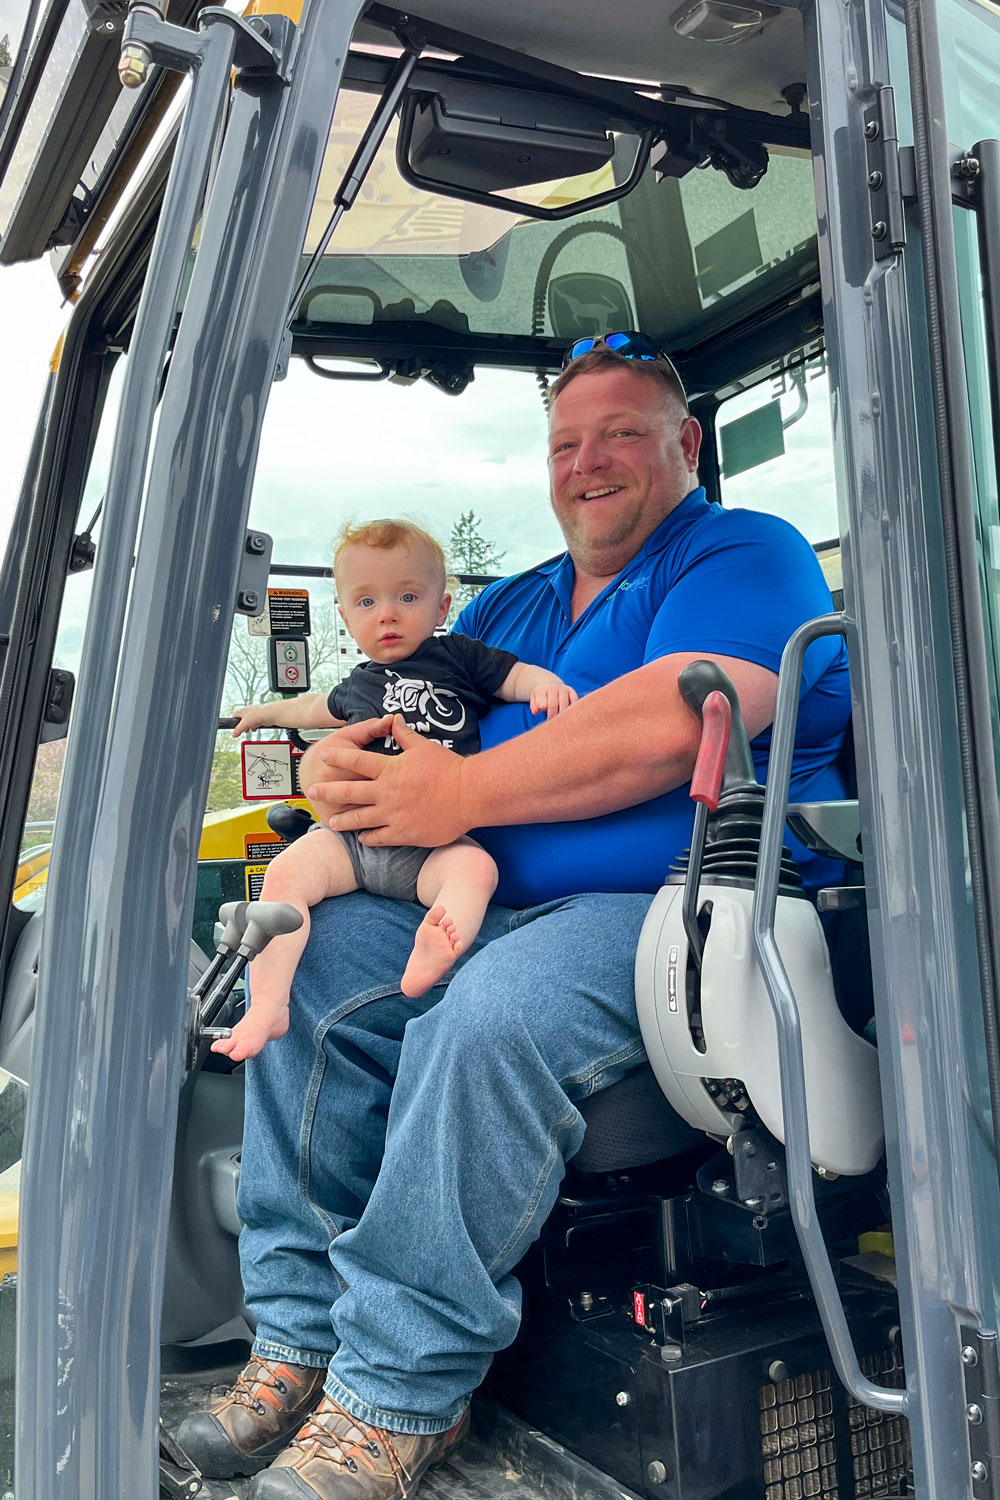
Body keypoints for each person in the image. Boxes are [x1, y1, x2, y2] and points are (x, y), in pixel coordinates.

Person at [178, 333, 852, 1500]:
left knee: (487, 1009)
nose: (588, 463)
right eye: (565, 443)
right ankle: (296, 1340)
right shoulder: (519, 605)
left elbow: (687, 707)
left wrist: (459, 794)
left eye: (622, 434)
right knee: (317, 958)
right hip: (488, 898)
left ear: (684, 445)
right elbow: (424, 735)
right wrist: (354, 775)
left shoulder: (741, 550)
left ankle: (396, 1397)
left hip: (675, 917)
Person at [221, 519, 578, 1060]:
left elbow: (513, 675)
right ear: (344, 619)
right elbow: (309, 707)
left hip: (431, 844)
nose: (387, 613)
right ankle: (268, 1002)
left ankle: (433, 952)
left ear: (440, 607)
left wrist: (543, 685)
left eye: (407, 596)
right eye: (366, 603)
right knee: (284, 873)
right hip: (353, 840)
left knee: (475, 871)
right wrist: (261, 712)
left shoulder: (457, 656)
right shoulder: (355, 685)